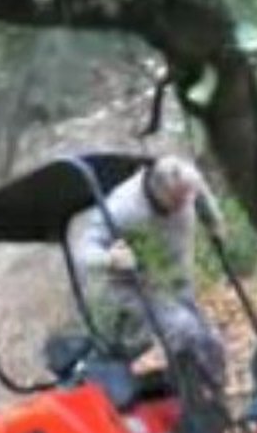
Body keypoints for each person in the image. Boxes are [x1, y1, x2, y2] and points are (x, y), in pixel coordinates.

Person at [67, 155, 228, 393]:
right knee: (183, 330)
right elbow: (83, 252)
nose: (186, 204)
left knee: (210, 341)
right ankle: (189, 399)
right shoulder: (122, 208)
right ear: (158, 192)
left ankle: (215, 396)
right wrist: (110, 258)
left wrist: (214, 220)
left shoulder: (186, 182)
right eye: (178, 199)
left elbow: (198, 188)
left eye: (188, 198)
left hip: (172, 274)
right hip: (133, 284)